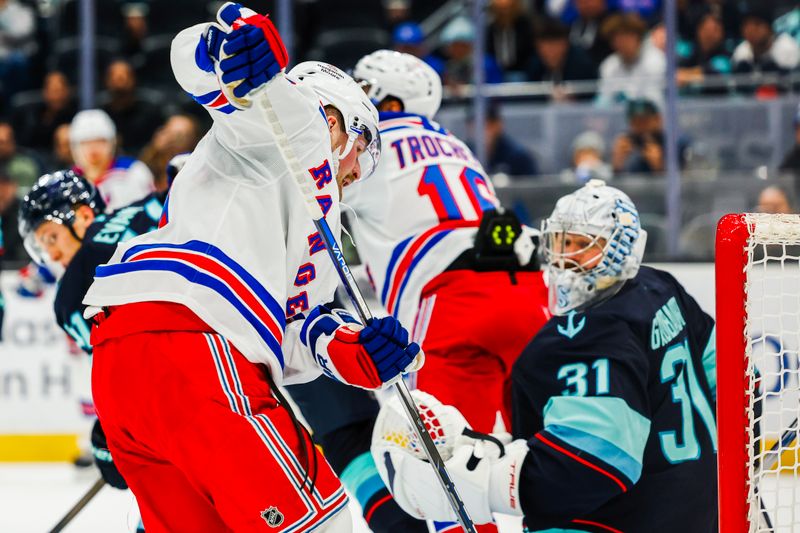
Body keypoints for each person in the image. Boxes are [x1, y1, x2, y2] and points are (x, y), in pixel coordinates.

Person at [82, 4, 420, 531]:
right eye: (362, 148)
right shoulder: (289, 133)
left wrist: (355, 352)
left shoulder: (313, 212)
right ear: (335, 119)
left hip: (123, 361)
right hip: (193, 345)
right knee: (322, 522)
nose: (357, 170)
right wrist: (227, 50)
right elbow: (198, 67)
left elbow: (295, 330)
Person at [374, 179, 718, 533]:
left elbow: (595, 466)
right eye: (561, 242)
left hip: (621, 520)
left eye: (584, 246)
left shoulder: (588, 334)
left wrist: (480, 479)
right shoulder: (660, 287)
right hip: (699, 504)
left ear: (623, 249)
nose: (566, 258)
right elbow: (723, 370)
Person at [352, 49, 549, 435]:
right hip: (529, 288)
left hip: (452, 301)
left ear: (390, 103)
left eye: (363, 90)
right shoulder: (456, 145)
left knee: (439, 464)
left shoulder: (364, 142)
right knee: (547, 453)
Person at [17, 169, 169, 532]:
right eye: (40, 248)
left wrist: (110, 435)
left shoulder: (76, 289)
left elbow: (127, 378)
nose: (51, 254)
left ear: (84, 215)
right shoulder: (148, 205)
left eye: (50, 237)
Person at [69, 108, 155, 211]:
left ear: (112, 142)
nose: (93, 148)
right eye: (85, 142)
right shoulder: (68, 181)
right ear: (74, 146)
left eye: (100, 141)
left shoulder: (133, 171)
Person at [597, 12, 666, 105]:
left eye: (625, 37)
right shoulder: (609, 65)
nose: (621, 43)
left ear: (637, 36)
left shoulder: (655, 59)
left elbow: (654, 99)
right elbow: (604, 100)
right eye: (616, 38)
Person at [100, 59, 166, 154]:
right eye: (115, 77)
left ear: (134, 79)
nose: (120, 81)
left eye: (124, 76)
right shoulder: (101, 113)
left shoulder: (150, 112)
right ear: (106, 81)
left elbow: (157, 142)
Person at [526, 16, 598, 100]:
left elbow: (590, 96)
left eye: (554, 45)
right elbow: (531, 97)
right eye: (545, 45)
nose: (550, 51)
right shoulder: (534, 65)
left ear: (565, 44)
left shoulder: (582, 64)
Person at [11, 71, 77, 154]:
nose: (57, 96)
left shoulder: (76, 115)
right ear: (45, 92)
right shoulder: (31, 114)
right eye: (53, 91)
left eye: (60, 90)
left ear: (67, 91)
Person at [732, 6, 800, 77]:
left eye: (757, 24)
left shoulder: (786, 47)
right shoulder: (741, 52)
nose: (751, 30)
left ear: (769, 28)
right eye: (746, 25)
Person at [440, 17, 504, 88]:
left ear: (470, 45)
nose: (457, 50)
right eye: (453, 46)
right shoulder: (448, 67)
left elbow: (496, 88)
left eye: (461, 45)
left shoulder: (487, 64)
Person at [478, 102, 539, 176]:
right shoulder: (468, 152)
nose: (482, 131)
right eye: (476, 126)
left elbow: (533, 185)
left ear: (498, 125)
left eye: (488, 126)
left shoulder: (518, 156)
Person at [486, 0, 534, 79]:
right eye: (501, 10)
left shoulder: (525, 25)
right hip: (497, 72)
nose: (505, 13)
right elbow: (489, 52)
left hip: (521, 71)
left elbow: (529, 51)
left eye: (508, 9)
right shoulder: (491, 28)